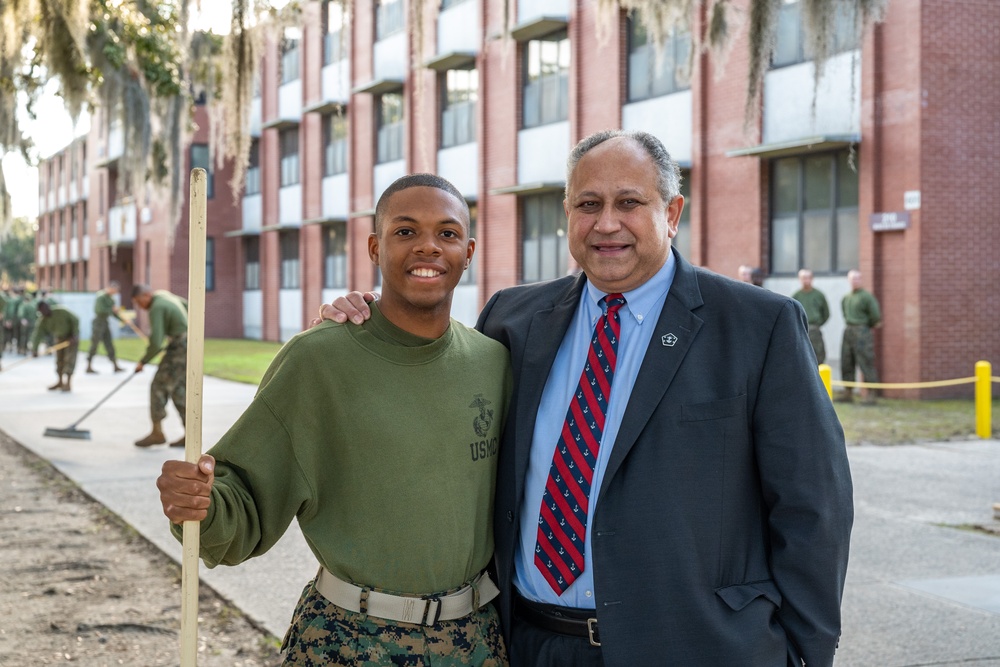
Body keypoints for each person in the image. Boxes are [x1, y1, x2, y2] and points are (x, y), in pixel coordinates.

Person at [323, 130, 853, 666]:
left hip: (693, 646)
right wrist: (366, 319)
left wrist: (808, 654)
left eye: (629, 202)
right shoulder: (513, 320)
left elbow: (813, 509)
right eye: (588, 204)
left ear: (671, 212)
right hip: (528, 643)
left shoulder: (757, 326)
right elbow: (438, 393)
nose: (606, 223)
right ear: (567, 214)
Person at [156, 174, 512, 666]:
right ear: (374, 246)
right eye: (405, 231)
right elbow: (243, 499)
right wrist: (199, 502)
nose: (428, 246)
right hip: (349, 641)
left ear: (468, 251)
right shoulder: (317, 360)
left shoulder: (494, 363)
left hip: (475, 644)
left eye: (447, 234)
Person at [131, 284, 189, 448]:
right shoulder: (164, 295)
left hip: (179, 347)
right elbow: (187, 305)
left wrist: (143, 361)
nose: (139, 307)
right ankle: (190, 435)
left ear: (146, 295)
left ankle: (157, 433)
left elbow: (156, 342)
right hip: (188, 345)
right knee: (178, 390)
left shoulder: (156, 307)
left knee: (158, 387)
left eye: (138, 301)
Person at [838, 269, 882, 405]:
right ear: (849, 280)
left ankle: (871, 394)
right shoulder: (846, 297)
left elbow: (875, 316)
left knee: (866, 361)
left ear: (861, 280)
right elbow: (845, 313)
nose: (855, 281)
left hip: (862, 331)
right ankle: (848, 392)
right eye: (852, 279)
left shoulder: (867, 297)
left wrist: (864, 326)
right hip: (849, 331)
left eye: (857, 278)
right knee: (846, 361)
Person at [30, 301, 80, 392]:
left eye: (44, 309)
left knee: (69, 360)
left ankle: (68, 383)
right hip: (59, 339)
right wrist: (34, 349)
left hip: (70, 339)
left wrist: (74, 335)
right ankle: (60, 382)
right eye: (41, 311)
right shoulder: (43, 320)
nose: (43, 312)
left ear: (48, 307)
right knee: (59, 361)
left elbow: (75, 320)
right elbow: (38, 334)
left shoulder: (61, 311)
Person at [792, 268, 830, 364]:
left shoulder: (819, 295)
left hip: (814, 330)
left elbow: (826, 313)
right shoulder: (796, 296)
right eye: (803, 278)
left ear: (812, 279)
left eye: (808, 278)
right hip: (800, 330)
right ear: (799, 279)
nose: (806, 280)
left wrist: (817, 324)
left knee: (818, 357)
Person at [86, 281, 125, 374]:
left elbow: (113, 313)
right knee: (94, 344)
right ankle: (89, 366)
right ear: (111, 288)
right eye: (115, 290)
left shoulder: (111, 299)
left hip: (105, 323)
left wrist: (122, 319)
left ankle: (115, 365)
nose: (115, 293)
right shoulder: (101, 296)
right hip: (98, 322)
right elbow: (99, 310)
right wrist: (112, 309)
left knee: (109, 343)